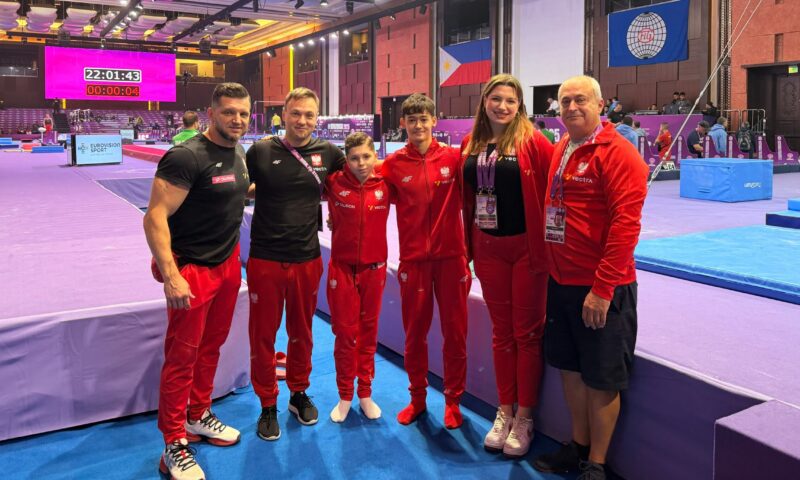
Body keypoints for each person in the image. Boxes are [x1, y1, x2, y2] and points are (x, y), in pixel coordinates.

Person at [533, 75, 648, 480]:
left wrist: (602, 289)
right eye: (564, 101)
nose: (571, 108)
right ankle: (578, 447)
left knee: (601, 380)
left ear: (601, 105)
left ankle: (597, 465)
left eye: (580, 100)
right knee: (570, 370)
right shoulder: (563, 146)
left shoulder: (619, 153)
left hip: (601, 287)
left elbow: (625, 227)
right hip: (561, 282)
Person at [143, 82, 251, 480]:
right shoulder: (185, 157)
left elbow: (234, 192)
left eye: (243, 113)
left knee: (211, 348)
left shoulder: (239, 152)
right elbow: (154, 217)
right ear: (211, 113)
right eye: (229, 112)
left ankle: (197, 414)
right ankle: (173, 441)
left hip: (228, 266)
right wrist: (171, 276)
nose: (237, 119)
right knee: (182, 358)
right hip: (192, 270)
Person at [460, 74, 554, 458]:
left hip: (527, 250)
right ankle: (504, 411)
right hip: (488, 249)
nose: (502, 106)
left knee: (527, 334)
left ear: (520, 107)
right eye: (496, 98)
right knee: (501, 333)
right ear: (484, 101)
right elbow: (466, 198)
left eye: (510, 101)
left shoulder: (534, 141)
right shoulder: (472, 142)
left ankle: (525, 417)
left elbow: (556, 190)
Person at [246, 87, 345, 441]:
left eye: (309, 115)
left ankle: (298, 392)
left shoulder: (329, 153)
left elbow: (356, 183)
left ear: (317, 119)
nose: (302, 120)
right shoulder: (260, 151)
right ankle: (267, 404)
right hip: (265, 259)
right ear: (283, 115)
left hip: (307, 258)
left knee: (302, 332)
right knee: (263, 335)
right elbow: (233, 191)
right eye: (296, 113)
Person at [380, 93, 471, 429]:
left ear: (434, 120)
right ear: (403, 123)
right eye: (412, 120)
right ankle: (417, 398)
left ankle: (453, 401)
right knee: (414, 335)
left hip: (452, 260)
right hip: (414, 261)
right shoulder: (392, 164)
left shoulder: (454, 158)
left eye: (424, 119)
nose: (418, 125)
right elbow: (367, 194)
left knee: (455, 334)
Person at [325, 132, 391, 423]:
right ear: (346, 160)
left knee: (368, 332)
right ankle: (344, 395)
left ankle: (365, 392)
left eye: (366, 156)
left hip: (375, 269)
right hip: (342, 268)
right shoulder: (333, 182)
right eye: (354, 158)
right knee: (344, 334)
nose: (361, 163)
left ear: (375, 156)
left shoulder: (387, 183)